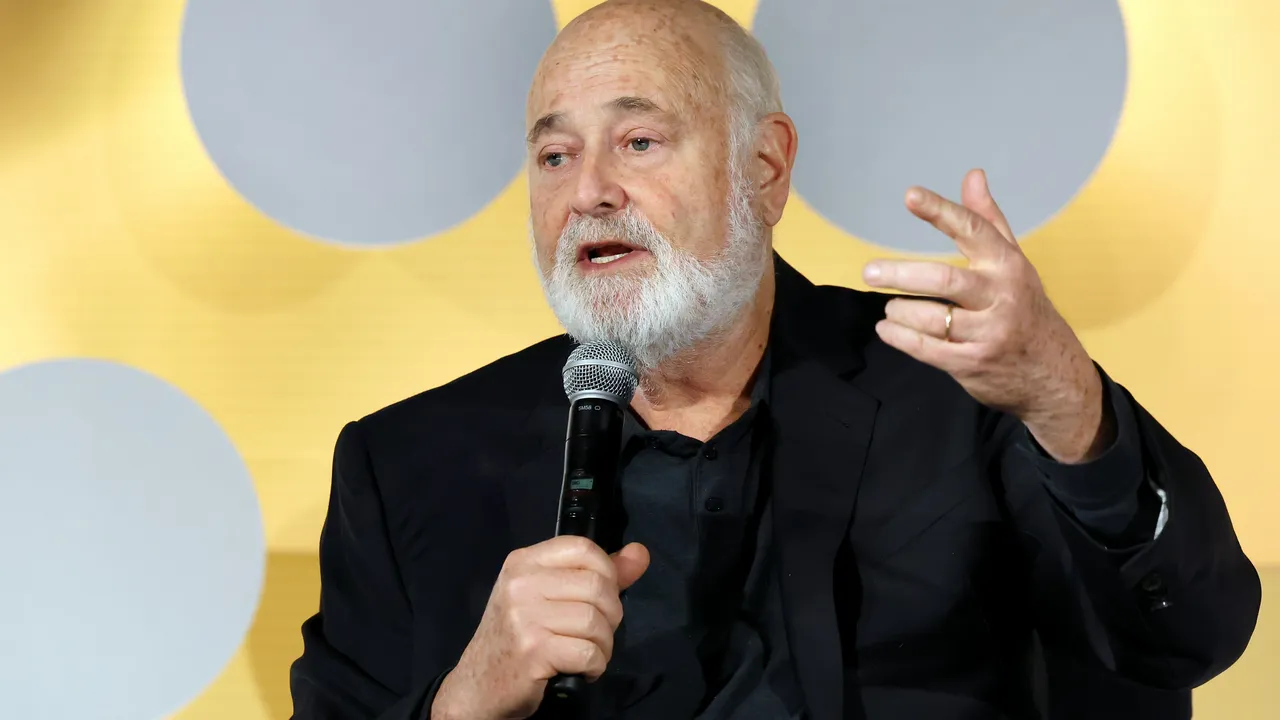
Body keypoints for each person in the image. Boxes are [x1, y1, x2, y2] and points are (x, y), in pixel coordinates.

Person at [288, 1, 1261, 718]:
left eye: (638, 141)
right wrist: (465, 701)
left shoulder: (959, 390)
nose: (588, 191)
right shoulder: (409, 464)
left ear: (763, 167)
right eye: (554, 156)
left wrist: (1064, 401)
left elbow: (1190, 635)